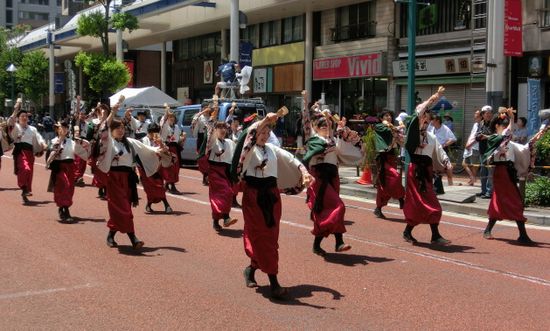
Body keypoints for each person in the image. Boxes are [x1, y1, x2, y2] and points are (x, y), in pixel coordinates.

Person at [235, 112, 313, 300]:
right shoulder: (250, 148)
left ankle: (251, 270)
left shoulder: (271, 149)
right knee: (260, 237)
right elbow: (249, 135)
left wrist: (304, 173)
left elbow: (292, 159)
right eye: (261, 132)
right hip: (254, 197)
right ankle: (274, 283)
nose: (263, 135)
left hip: (272, 197)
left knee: (270, 238)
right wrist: (263, 121)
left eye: (267, 132)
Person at [97, 100, 168, 250]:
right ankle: (133, 238)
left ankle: (111, 234)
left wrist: (158, 151)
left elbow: (146, 149)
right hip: (114, 179)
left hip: (128, 179)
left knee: (123, 209)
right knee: (124, 209)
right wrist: (112, 113)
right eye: (117, 128)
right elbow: (102, 129)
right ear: (111, 130)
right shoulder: (109, 142)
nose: (120, 130)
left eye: (122, 128)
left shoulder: (129, 142)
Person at [482, 108, 549, 244]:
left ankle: (489, 230)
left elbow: (524, 149)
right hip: (501, 173)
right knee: (515, 202)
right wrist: (512, 120)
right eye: (504, 125)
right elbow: (506, 135)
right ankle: (522, 235)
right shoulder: (495, 139)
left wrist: (539, 135)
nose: (507, 128)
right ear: (497, 126)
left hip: (508, 173)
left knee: (502, 201)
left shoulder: (506, 140)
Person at [303, 110, 362, 256]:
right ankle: (338, 241)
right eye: (321, 125)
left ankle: (327, 244)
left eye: (327, 126)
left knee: (328, 210)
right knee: (338, 206)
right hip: (319, 178)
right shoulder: (314, 140)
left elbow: (352, 146)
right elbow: (311, 154)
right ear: (315, 127)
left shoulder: (334, 141)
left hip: (332, 177)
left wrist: (344, 130)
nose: (325, 127)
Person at [402, 86, 451, 244]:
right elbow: (418, 113)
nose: (425, 120)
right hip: (415, 171)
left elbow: (439, 150)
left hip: (427, 171)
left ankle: (427, 234)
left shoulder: (430, 136)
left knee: (429, 201)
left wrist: (446, 161)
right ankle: (429, 234)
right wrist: (434, 97)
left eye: (427, 119)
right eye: (423, 118)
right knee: (420, 202)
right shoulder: (412, 134)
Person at [46, 120, 90, 222]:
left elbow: (84, 154)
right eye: (61, 127)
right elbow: (49, 156)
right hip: (59, 168)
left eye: (65, 128)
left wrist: (84, 143)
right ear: (57, 129)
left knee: (70, 188)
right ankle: (65, 209)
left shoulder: (72, 142)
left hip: (70, 167)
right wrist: (55, 151)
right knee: (63, 186)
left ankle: (63, 208)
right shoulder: (53, 141)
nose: (64, 129)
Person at [8, 99, 47, 203]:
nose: (24, 118)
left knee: (29, 173)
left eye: (26, 116)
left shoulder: (32, 129)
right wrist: (16, 109)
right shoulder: (16, 126)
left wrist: (43, 144)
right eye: (22, 116)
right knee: (25, 169)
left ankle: (25, 191)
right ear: (18, 118)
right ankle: (23, 187)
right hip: (20, 152)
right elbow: (10, 121)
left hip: (30, 153)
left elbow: (38, 137)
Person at [204, 115, 238, 231]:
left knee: (224, 196)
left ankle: (216, 221)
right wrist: (212, 117)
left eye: (224, 127)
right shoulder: (213, 141)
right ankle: (226, 217)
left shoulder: (229, 142)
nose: (223, 130)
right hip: (214, 171)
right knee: (226, 192)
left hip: (225, 171)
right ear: (215, 130)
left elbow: (235, 154)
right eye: (219, 128)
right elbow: (209, 134)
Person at [373, 110, 405, 219]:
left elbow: (400, 140)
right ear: (381, 118)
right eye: (386, 115)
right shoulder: (379, 126)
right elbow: (389, 129)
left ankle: (378, 208)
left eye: (390, 115)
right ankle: (401, 198)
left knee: (388, 183)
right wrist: (396, 128)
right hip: (383, 157)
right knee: (393, 177)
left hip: (392, 157)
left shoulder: (393, 128)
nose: (389, 117)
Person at [139, 123, 173, 214]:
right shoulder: (142, 140)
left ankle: (167, 205)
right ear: (148, 132)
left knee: (160, 186)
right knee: (149, 189)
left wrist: (160, 143)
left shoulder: (159, 140)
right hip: (145, 168)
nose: (154, 135)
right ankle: (149, 205)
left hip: (157, 167)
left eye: (156, 133)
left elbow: (166, 150)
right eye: (152, 133)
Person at [159, 105, 185, 194]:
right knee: (168, 166)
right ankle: (171, 185)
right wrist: (166, 111)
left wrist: (182, 139)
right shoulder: (165, 125)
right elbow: (162, 123)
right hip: (167, 147)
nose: (172, 119)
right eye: (170, 117)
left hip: (175, 148)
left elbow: (177, 138)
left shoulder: (177, 127)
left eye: (173, 117)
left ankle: (168, 184)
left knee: (175, 167)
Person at [428, 115, 456, 193]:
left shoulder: (445, 128)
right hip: (432, 151)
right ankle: (438, 188)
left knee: (443, 169)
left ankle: (441, 188)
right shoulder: (431, 128)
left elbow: (453, 139)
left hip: (441, 151)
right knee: (434, 170)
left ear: (437, 120)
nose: (431, 122)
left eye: (432, 120)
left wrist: (444, 145)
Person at [475, 105, 494, 199]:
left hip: (491, 151)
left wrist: (485, 137)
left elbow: (497, 136)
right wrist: (479, 136)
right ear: (482, 114)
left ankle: (489, 192)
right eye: (486, 113)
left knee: (490, 172)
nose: (488, 115)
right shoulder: (481, 123)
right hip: (482, 150)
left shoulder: (494, 123)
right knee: (483, 172)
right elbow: (477, 135)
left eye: (490, 113)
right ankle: (483, 190)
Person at [462, 109, 481, 186]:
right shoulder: (475, 124)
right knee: (464, 163)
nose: (475, 115)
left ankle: (472, 180)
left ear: (480, 116)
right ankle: (472, 178)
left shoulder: (481, 125)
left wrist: (470, 144)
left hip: (476, 147)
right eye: (475, 113)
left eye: (476, 114)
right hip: (470, 146)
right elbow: (471, 135)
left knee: (474, 166)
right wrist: (467, 143)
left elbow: (478, 138)